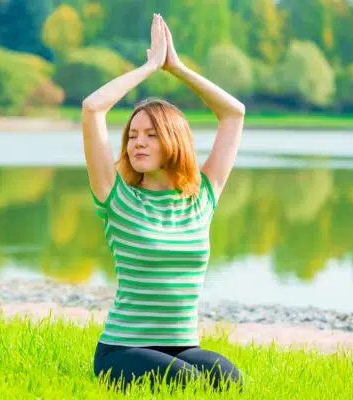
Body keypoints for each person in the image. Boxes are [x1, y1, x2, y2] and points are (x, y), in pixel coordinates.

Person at [82, 13, 246, 393]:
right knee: (185, 384)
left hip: (183, 345)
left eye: (151, 135)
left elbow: (233, 113)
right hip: (123, 348)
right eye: (133, 135)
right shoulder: (117, 198)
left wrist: (178, 68)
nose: (137, 142)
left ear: (173, 141)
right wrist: (149, 67)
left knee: (231, 381)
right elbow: (93, 108)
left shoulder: (202, 196)